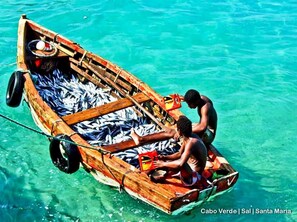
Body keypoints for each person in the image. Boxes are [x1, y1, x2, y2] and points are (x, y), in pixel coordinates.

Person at [132, 115, 207, 186]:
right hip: (189, 171)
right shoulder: (189, 137)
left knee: (172, 163)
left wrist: (163, 164)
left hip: (194, 178)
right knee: (162, 160)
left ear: (179, 131)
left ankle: (144, 175)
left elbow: (180, 164)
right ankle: (148, 172)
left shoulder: (191, 142)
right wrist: (165, 157)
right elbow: (179, 154)